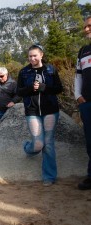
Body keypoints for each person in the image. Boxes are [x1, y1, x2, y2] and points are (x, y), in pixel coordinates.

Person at [17, 43, 63, 187]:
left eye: (35, 55)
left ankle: (49, 176)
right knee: (38, 144)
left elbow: (59, 88)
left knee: (48, 144)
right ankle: (27, 147)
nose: (32, 59)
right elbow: (19, 92)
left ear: (41, 55)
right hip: (32, 111)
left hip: (50, 110)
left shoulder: (51, 70)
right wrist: (31, 88)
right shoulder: (24, 72)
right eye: (30, 56)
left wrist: (44, 87)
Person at [75, 16, 91, 190]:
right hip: (87, 103)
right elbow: (78, 76)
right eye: (85, 27)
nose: (86, 29)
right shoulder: (83, 51)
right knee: (90, 141)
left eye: (89, 26)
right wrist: (77, 95)